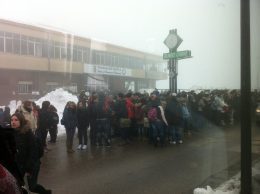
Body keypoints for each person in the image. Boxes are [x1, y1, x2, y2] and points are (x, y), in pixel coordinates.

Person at [10, 112, 52, 194]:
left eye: (16, 120)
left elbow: (34, 153)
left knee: (32, 187)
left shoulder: (28, 134)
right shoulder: (11, 133)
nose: (13, 122)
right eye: (11, 120)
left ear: (21, 121)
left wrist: (29, 168)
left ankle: (46, 192)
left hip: (32, 164)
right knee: (17, 185)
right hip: (19, 165)